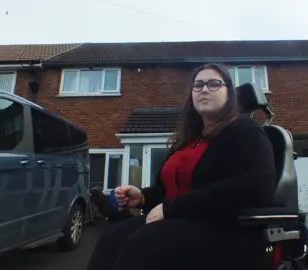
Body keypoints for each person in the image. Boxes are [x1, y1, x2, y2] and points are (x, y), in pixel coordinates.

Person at [86, 63, 276, 270]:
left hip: (227, 230)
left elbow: (254, 187)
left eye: (213, 84)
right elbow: (168, 191)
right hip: (179, 223)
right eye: (198, 85)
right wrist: (141, 197)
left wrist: (170, 208)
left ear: (230, 95)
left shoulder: (246, 131)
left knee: (145, 242)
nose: (204, 89)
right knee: (111, 239)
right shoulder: (188, 140)